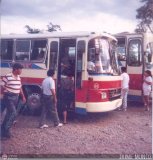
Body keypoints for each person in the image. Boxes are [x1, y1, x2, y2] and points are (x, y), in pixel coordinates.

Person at [0, 63, 26, 139]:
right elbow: (1, 85)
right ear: (15, 69)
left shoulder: (18, 77)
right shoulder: (8, 76)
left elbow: (20, 87)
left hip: (16, 97)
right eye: (20, 69)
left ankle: (4, 131)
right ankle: (5, 130)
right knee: (13, 113)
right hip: (8, 97)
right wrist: (1, 94)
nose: (21, 71)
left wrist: (23, 96)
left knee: (9, 114)